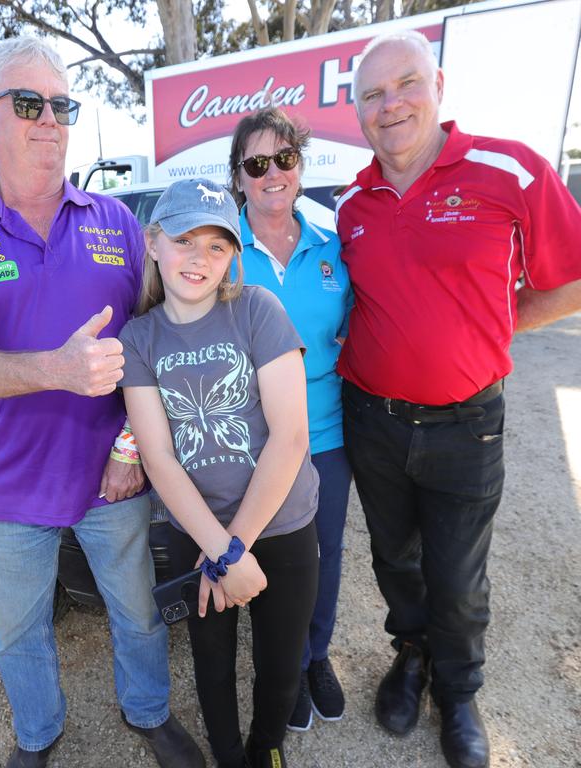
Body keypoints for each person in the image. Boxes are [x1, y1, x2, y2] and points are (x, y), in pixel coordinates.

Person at [0, 37, 204, 768]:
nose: (49, 119)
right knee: (19, 632)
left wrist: (132, 448)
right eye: (28, 103)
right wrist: (57, 367)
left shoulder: (115, 223)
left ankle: (147, 714)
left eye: (62, 104)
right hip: (10, 485)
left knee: (138, 614)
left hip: (113, 476)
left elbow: (161, 341)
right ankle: (37, 736)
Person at [338, 31, 581, 768]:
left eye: (405, 84)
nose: (392, 105)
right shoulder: (352, 202)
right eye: (373, 95)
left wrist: (491, 324)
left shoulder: (508, 169)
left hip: (467, 423)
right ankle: (409, 656)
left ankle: (459, 689)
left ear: (438, 84)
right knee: (394, 560)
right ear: (358, 113)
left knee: (457, 573)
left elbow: (569, 279)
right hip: (371, 419)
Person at [119, 177, 320, 768]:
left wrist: (236, 551)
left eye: (216, 245)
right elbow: (157, 455)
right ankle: (230, 756)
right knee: (212, 662)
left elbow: (290, 437)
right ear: (154, 244)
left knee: (282, 662)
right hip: (196, 533)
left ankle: (266, 750)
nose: (199, 258)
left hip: (280, 525)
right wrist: (219, 552)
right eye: (184, 240)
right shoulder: (140, 338)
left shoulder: (256, 309)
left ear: (233, 254)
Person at [227, 108, 354, 732]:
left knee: (325, 555)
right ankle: (280, 666)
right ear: (240, 177)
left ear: (300, 167)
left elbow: (358, 334)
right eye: (257, 164)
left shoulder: (334, 248)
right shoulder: (224, 256)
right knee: (269, 555)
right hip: (252, 443)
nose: (272, 173)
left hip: (327, 436)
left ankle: (314, 658)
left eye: (284, 159)